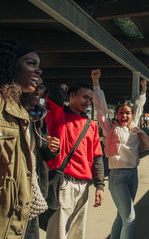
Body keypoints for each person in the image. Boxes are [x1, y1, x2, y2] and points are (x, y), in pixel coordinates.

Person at [91, 69, 149, 239]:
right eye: (121, 112)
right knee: (130, 218)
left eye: (127, 113)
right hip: (117, 178)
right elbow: (101, 107)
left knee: (121, 215)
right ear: (116, 114)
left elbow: (139, 106)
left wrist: (144, 90)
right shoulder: (110, 128)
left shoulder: (133, 126)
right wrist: (96, 83)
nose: (124, 115)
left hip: (133, 175)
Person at [44, 81, 105, 239]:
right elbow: (52, 98)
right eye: (85, 97)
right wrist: (61, 88)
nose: (88, 102)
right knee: (57, 232)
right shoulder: (58, 115)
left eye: (90, 99)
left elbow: (97, 157)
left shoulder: (91, 126)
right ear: (71, 95)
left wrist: (100, 186)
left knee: (77, 233)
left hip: (83, 186)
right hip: (64, 182)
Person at [0, 39, 43, 238]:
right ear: (10, 64)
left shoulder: (19, 111)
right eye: (31, 63)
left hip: (20, 212)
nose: (38, 71)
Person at [21, 78, 60, 239]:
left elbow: (42, 151)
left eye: (41, 88)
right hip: (14, 191)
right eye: (35, 88)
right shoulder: (7, 117)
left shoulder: (37, 118)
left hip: (33, 192)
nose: (39, 92)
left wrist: (53, 149)